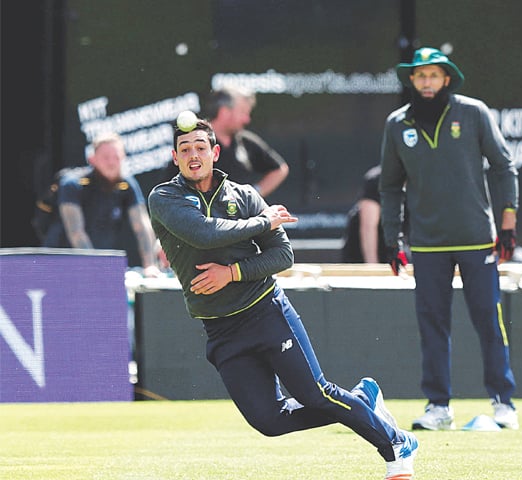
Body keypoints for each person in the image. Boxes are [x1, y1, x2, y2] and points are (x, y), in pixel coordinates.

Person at [148, 117, 418, 479]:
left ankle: (395, 445)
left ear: (215, 152)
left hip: (266, 314)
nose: (193, 155)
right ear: (175, 157)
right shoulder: (164, 196)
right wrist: (264, 221)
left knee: (316, 394)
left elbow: (283, 256)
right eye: (185, 150)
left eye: (200, 147)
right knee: (269, 422)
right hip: (221, 330)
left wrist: (232, 273)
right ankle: (363, 401)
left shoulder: (244, 195)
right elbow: (203, 234)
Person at [380, 47, 519, 430]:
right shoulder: (397, 123)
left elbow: (505, 166)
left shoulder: (472, 113)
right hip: (426, 243)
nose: (427, 82)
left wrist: (507, 226)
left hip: (477, 239)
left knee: (489, 321)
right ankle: (438, 407)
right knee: (432, 326)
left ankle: (503, 403)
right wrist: (392, 240)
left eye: (434, 75)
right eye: (420, 75)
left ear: (446, 79)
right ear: (411, 80)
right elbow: (390, 187)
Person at [44, 132, 162, 278]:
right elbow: (76, 232)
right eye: (106, 157)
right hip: (60, 265)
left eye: (116, 157)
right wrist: (95, 268)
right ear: (92, 159)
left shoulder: (127, 184)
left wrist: (150, 266)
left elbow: (142, 226)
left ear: (123, 157)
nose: (112, 163)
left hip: (96, 266)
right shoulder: (72, 184)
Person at [160, 86, 289, 199]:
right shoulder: (192, 142)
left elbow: (280, 169)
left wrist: (252, 195)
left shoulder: (246, 141)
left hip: (242, 223)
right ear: (224, 112)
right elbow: (167, 191)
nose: (247, 119)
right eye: (243, 112)